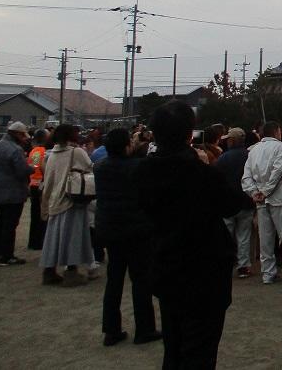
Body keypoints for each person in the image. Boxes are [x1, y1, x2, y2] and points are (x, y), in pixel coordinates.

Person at [137, 100, 254, 369]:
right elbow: (232, 203)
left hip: (166, 268)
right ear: (190, 134)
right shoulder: (201, 175)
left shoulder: (144, 173)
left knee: (174, 346)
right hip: (204, 274)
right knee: (200, 351)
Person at [94, 128, 161, 347]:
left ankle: (111, 330)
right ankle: (145, 328)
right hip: (137, 230)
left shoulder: (100, 167)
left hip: (111, 229)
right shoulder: (138, 167)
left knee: (114, 279)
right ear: (126, 146)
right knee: (141, 280)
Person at [241, 121, 282, 285]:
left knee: (266, 238)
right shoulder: (281, 147)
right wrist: (266, 191)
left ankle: (268, 273)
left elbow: (246, 175)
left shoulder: (253, 150)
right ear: (277, 132)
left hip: (261, 200)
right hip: (279, 198)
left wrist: (254, 192)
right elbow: (279, 171)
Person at [39, 124, 95, 286]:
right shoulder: (76, 152)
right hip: (72, 201)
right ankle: (71, 272)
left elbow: (48, 181)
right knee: (73, 238)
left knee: (53, 238)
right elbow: (90, 168)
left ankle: (49, 272)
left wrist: (45, 202)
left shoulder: (51, 155)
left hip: (55, 201)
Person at [214, 127, 254, 278]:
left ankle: (225, 263)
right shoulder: (249, 156)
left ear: (232, 140)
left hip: (227, 202)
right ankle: (243, 266)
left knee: (227, 236)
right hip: (246, 200)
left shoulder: (223, 158)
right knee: (244, 236)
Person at [0, 122, 34, 265]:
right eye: (23, 135)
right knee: (10, 225)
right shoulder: (15, 149)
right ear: (17, 134)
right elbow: (22, 170)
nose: (24, 139)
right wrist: (32, 168)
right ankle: (7, 255)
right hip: (14, 192)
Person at [27, 128, 50, 250]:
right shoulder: (40, 151)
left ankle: (34, 241)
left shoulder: (34, 151)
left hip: (34, 184)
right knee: (40, 215)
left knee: (35, 214)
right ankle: (38, 241)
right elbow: (36, 167)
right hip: (39, 185)